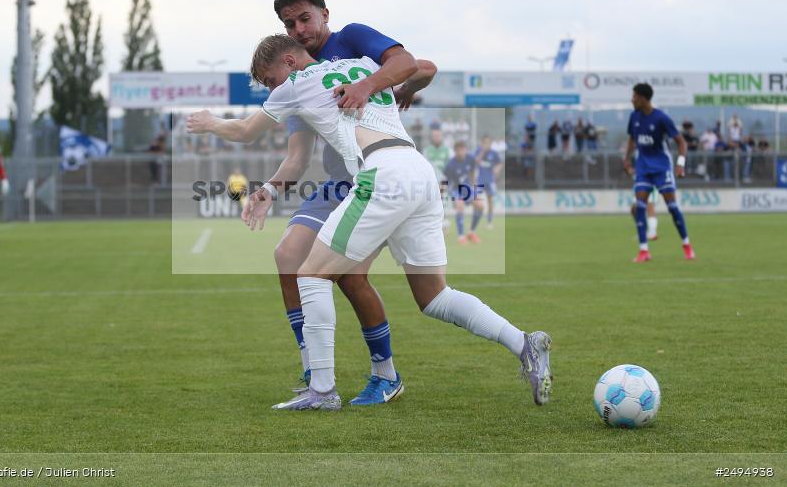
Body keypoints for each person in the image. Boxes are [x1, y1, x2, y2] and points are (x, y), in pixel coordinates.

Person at [189, 35, 552, 411]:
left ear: (289, 62)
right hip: (420, 173)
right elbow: (422, 66)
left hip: (381, 174)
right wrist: (406, 87)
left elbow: (246, 131)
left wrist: (210, 122)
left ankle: (322, 391)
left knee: (310, 274)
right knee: (435, 297)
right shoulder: (363, 67)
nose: (272, 89)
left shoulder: (295, 85)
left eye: (270, 79)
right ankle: (524, 343)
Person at [195, 0, 437, 406]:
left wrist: (394, 90)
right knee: (288, 257)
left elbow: (422, 67)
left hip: (377, 175)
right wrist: (268, 189)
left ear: (325, 13)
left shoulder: (351, 41)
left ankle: (384, 372)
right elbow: (296, 158)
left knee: (351, 277)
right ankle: (313, 371)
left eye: (304, 18)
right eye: (290, 23)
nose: (299, 28)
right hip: (337, 183)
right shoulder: (294, 82)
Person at [623, 83, 695, 263]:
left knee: (672, 207)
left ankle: (686, 245)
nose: (632, 100)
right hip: (643, 168)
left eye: (634, 97)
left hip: (662, 167)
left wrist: (680, 163)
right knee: (639, 206)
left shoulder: (661, 118)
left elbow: (682, 142)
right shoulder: (634, 117)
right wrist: (626, 160)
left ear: (643, 98)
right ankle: (644, 250)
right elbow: (632, 139)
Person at [445, 140, 483, 244]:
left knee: (480, 205)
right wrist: (451, 195)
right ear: (455, 151)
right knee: (460, 205)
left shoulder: (470, 159)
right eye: (459, 150)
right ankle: (461, 237)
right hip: (455, 189)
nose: (462, 152)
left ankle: (471, 232)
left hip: (466, 188)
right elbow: (447, 182)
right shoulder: (451, 165)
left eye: (463, 150)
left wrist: (475, 189)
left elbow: (472, 174)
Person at [474, 135, 503, 229]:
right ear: (482, 143)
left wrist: (497, 169)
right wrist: (483, 152)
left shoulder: (494, 153)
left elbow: (500, 163)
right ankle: (476, 221)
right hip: (480, 180)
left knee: (490, 200)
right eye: (485, 142)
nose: (487, 144)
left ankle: (489, 221)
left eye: (489, 142)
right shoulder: (478, 151)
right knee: (477, 201)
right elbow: (476, 161)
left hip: (490, 180)